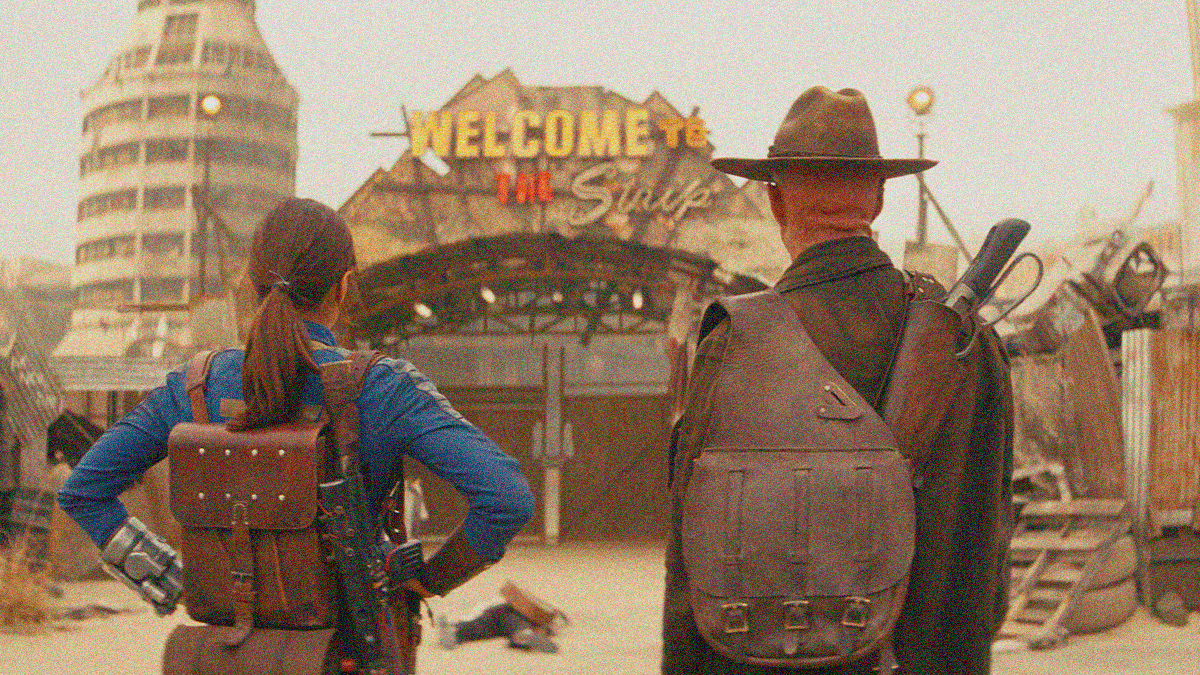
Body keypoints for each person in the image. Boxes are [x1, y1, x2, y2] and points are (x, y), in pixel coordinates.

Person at [58, 197, 535, 672]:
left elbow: (84, 491)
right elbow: (507, 498)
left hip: (224, 657)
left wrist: (173, 582)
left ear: (252, 285)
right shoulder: (383, 388)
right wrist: (429, 581)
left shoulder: (194, 387)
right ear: (343, 286)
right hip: (350, 653)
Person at [661, 87, 1013, 675]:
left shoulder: (733, 343)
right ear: (878, 199)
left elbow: (689, 567)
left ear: (776, 201)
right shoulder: (969, 346)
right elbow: (992, 550)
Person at [436, 581, 564, 654]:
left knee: (478, 628)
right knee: (516, 623)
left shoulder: (497, 604)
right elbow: (551, 620)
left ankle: (454, 632)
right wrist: (547, 629)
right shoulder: (515, 609)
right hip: (512, 615)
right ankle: (522, 635)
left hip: (493, 616)